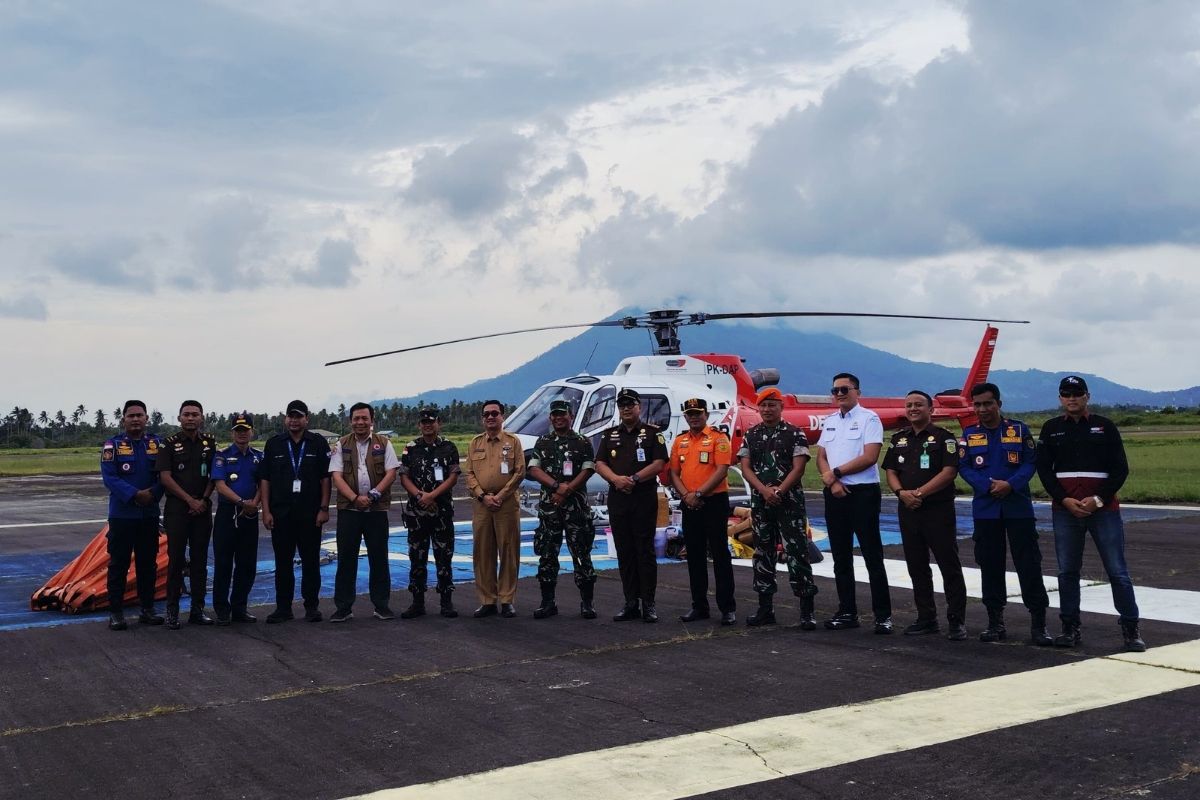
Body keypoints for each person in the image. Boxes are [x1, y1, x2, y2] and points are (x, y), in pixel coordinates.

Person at [1037, 375, 1145, 652]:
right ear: (1060, 399)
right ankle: (1069, 627)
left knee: (1117, 571)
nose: (1072, 399)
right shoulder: (1051, 429)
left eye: (1077, 394)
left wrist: (1098, 498)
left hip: (1103, 509)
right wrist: (1064, 499)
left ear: (1087, 396)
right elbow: (1044, 471)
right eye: (1066, 394)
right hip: (1066, 510)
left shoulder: (1104, 427)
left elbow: (1120, 468)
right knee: (1067, 571)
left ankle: (1131, 629)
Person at [959, 382, 1053, 645]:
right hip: (986, 510)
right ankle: (995, 622)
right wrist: (986, 486)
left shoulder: (1019, 430)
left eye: (988, 403)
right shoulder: (968, 434)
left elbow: (1030, 462)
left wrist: (1010, 484)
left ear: (999, 404)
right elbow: (964, 467)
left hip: (1017, 508)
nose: (982, 409)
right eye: (977, 404)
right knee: (990, 565)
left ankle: (1038, 624)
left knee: (1029, 564)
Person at [882, 390, 967, 640]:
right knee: (916, 566)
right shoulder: (898, 439)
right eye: (908, 405)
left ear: (931, 410)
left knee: (948, 565)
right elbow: (890, 471)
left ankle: (956, 621)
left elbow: (949, 471)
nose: (913, 409)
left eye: (918, 405)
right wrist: (901, 493)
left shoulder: (944, 438)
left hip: (937, 510)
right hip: (907, 510)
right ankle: (926, 617)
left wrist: (918, 493)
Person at [816, 373, 892, 633]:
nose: (839, 394)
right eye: (835, 389)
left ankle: (883, 615)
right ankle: (847, 611)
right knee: (840, 556)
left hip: (862, 494)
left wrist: (836, 474)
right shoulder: (830, 421)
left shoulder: (869, 419)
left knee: (872, 555)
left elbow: (870, 457)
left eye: (844, 389)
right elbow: (822, 456)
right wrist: (832, 482)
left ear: (857, 391)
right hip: (834, 493)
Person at [738, 388, 815, 628]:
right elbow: (746, 467)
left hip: (789, 503)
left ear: (781, 407)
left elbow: (799, 468)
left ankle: (806, 611)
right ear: (758, 408)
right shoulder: (751, 435)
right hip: (762, 503)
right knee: (762, 553)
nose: (767, 410)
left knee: (797, 552)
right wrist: (764, 490)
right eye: (763, 405)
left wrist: (779, 491)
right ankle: (765, 609)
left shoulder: (795, 434)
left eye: (772, 405)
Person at [593, 388, 669, 623]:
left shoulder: (652, 434)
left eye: (630, 404)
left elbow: (659, 463)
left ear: (640, 407)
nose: (626, 408)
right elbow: (599, 463)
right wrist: (616, 480)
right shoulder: (609, 435)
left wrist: (634, 479)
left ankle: (648, 603)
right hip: (618, 497)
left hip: (643, 497)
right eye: (622, 405)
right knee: (624, 551)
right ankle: (630, 603)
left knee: (644, 551)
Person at [257, 400, 331, 623]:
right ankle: (283, 608)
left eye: (299, 416)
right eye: (291, 416)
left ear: (306, 419)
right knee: (283, 563)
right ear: (285, 419)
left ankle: (311, 607)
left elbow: (325, 479)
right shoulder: (274, 444)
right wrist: (266, 511)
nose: (294, 420)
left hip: (310, 514)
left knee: (311, 562)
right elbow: (265, 479)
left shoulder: (318, 443)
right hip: (281, 515)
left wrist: (324, 509)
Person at [526, 398, 598, 620]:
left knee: (582, 555)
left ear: (571, 416)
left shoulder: (583, 442)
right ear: (550, 417)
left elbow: (588, 469)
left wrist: (567, 489)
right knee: (547, 556)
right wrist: (557, 486)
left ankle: (587, 604)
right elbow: (534, 470)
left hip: (576, 509)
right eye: (555, 414)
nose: (559, 418)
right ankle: (548, 603)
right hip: (550, 509)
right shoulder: (543, 442)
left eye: (563, 414)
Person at [329, 403, 399, 622]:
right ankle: (343, 607)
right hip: (349, 510)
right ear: (350, 421)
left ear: (372, 420)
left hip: (376, 510)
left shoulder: (384, 443)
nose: (360, 422)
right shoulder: (341, 444)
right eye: (356, 418)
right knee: (346, 559)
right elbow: (336, 475)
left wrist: (373, 495)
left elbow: (391, 473)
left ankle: (381, 605)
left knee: (379, 558)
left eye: (364, 418)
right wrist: (354, 498)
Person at [670, 397, 737, 625]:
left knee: (720, 555)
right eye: (690, 414)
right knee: (694, 556)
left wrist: (698, 494)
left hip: (714, 502)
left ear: (706, 415)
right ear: (685, 416)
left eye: (698, 413)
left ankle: (727, 608)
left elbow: (722, 470)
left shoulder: (718, 438)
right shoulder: (680, 441)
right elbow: (674, 473)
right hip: (690, 504)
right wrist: (686, 496)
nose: (694, 417)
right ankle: (699, 606)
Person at [101, 400, 165, 630]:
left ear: (147, 418)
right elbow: (109, 477)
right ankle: (116, 613)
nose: (136, 419)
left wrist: (154, 494)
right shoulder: (113, 446)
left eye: (140, 415)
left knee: (148, 565)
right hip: (122, 515)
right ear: (123, 419)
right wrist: (135, 494)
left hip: (149, 514)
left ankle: (147, 609)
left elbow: (164, 475)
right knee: (118, 564)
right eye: (131, 416)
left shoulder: (157, 443)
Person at [156, 400, 216, 629]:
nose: (191, 418)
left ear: (202, 417)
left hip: (202, 509)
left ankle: (197, 610)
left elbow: (214, 474)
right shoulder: (169, 444)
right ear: (179, 418)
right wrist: (190, 500)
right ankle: (172, 611)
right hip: (178, 510)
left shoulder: (209, 443)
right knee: (176, 561)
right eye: (186, 414)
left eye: (195, 414)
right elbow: (165, 477)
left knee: (200, 562)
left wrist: (203, 499)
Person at [398, 407, 461, 619]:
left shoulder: (449, 447)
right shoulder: (410, 448)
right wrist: (419, 496)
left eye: (431, 421)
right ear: (419, 425)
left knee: (444, 557)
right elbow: (404, 477)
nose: (427, 425)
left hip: (441, 512)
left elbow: (453, 476)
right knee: (417, 558)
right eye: (424, 422)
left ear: (438, 423)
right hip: (417, 514)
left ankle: (446, 601)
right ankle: (417, 602)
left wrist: (432, 495)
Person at [464, 400, 525, 618]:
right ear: (482, 419)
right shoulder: (475, 443)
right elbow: (469, 473)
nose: (490, 417)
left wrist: (499, 496)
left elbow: (519, 472)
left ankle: (507, 599)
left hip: (506, 504)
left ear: (502, 416)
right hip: (482, 505)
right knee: (482, 552)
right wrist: (482, 495)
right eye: (487, 414)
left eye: (494, 414)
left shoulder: (512, 442)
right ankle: (487, 600)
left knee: (508, 551)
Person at [210, 412, 263, 624]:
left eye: (245, 430)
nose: (242, 434)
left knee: (247, 564)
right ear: (232, 433)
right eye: (238, 430)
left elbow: (263, 484)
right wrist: (242, 502)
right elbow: (220, 485)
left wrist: (254, 504)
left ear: (252, 432)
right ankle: (222, 610)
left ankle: (240, 607)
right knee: (223, 564)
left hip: (249, 515)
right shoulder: (221, 456)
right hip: (228, 514)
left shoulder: (259, 456)